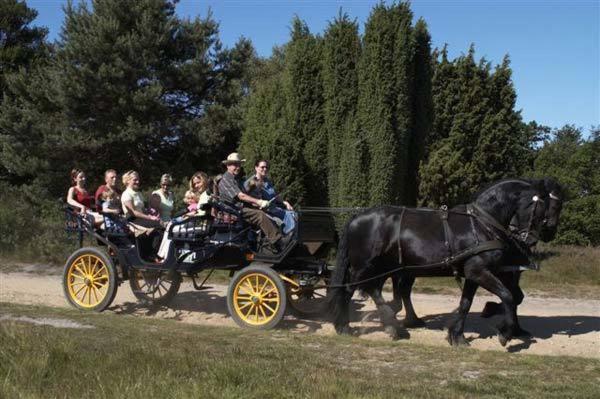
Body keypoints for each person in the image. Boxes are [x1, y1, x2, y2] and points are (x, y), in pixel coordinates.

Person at [218, 153, 282, 252]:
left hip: (240, 209)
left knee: (266, 212)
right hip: (232, 211)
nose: (238, 167)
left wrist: (258, 202)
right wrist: (259, 201)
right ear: (228, 165)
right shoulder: (226, 179)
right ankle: (277, 242)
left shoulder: (237, 179)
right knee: (259, 215)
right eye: (235, 164)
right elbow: (241, 196)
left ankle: (266, 244)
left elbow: (246, 195)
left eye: (239, 164)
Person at [244, 159, 296, 234]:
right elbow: (248, 199)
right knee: (289, 215)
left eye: (266, 167)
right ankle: (289, 236)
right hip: (264, 212)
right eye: (262, 167)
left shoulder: (267, 181)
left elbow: (275, 196)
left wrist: (285, 203)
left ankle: (293, 236)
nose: (265, 169)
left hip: (274, 208)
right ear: (256, 168)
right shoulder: (250, 182)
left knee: (294, 214)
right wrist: (259, 203)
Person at [121, 170, 161, 235]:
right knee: (157, 225)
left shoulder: (139, 193)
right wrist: (150, 217)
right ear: (128, 181)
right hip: (132, 220)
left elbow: (142, 210)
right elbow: (133, 212)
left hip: (141, 219)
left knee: (160, 224)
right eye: (135, 180)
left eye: (138, 180)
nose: (138, 182)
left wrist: (151, 214)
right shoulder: (126, 194)